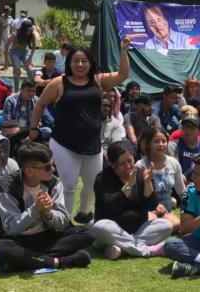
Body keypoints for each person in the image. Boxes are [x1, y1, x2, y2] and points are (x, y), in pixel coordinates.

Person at [28, 39, 130, 225]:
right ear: (69, 63)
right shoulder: (59, 82)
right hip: (63, 143)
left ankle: (84, 214)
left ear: (90, 63)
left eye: (84, 61)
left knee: (92, 185)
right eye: (76, 61)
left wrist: (123, 50)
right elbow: (40, 104)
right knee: (69, 185)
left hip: (92, 144)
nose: (80, 65)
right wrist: (34, 129)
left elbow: (123, 74)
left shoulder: (98, 81)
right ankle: (64, 222)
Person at [0, 142, 94, 271]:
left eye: (52, 164)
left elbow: (62, 223)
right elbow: (11, 228)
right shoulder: (6, 187)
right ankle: (60, 261)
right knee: (1, 247)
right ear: (29, 171)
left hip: (46, 235)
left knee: (90, 233)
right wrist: (36, 209)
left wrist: (49, 213)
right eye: (47, 167)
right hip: (18, 239)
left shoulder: (54, 182)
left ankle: (24, 261)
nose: (53, 169)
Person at [92, 142, 172, 260]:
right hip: (113, 227)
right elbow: (111, 205)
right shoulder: (103, 178)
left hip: (138, 227)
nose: (129, 166)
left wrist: (147, 183)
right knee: (99, 227)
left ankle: (119, 247)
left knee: (166, 225)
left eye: (130, 160)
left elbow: (152, 205)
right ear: (113, 165)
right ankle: (148, 250)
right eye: (122, 164)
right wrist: (129, 185)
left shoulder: (140, 173)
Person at [136, 128, 185, 232]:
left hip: (166, 210)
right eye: (156, 141)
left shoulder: (173, 163)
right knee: (150, 224)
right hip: (148, 209)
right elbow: (137, 194)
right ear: (148, 144)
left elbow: (181, 190)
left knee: (176, 225)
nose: (161, 144)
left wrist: (189, 210)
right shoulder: (140, 165)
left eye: (164, 141)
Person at [167, 115, 200, 180]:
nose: (188, 130)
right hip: (181, 185)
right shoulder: (173, 146)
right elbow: (175, 171)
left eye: (192, 127)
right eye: (185, 127)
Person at [4, 20, 36, 90]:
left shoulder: (32, 34)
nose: (29, 32)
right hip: (14, 52)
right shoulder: (15, 34)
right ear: (23, 29)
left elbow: (33, 47)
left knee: (30, 69)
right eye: (27, 30)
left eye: (30, 30)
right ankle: (16, 90)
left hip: (25, 51)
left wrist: (30, 59)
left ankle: (31, 88)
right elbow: (6, 46)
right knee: (17, 71)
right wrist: (6, 59)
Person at [100, 96, 123, 162]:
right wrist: (101, 152)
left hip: (109, 154)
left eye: (109, 106)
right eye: (104, 105)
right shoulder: (92, 121)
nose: (107, 108)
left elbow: (116, 144)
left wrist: (108, 153)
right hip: (94, 152)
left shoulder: (115, 122)